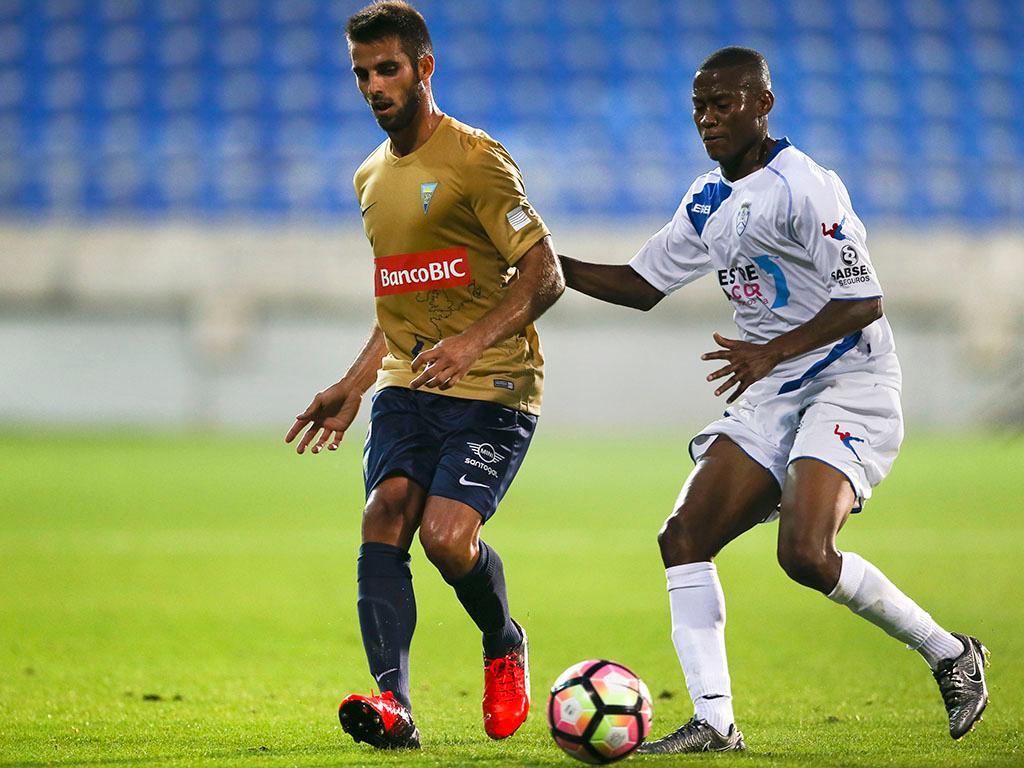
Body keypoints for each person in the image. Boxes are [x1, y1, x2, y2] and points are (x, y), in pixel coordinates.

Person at [559, 47, 988, 753]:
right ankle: (714, 722)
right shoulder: (706, 199)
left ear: (762, 105)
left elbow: (863, 297)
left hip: (849, 383)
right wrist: (549, 261)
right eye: (699, 107)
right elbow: (641, 285)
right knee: (684, 538)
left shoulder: (807, 187)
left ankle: (950, 654)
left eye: (722, 104)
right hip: (774, 391)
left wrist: (769, 350)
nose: (708, 119)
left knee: (807, 554)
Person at [285, 1, 564, 750]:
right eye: (362, 73)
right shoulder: (370, 178)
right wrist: (355, 379)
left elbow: (545, 273)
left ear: (423, 68)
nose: (375, 86)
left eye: (388, 69)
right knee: (385, 514)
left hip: (496, 382)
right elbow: (404, 296)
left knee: (445, 538)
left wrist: (474, 341)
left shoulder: (476, 159)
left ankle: (504, 640)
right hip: (408, 380)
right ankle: (394, 707)